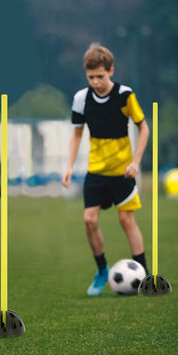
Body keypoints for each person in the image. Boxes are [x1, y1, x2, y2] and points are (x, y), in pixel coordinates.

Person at [62, 43, 149, 296]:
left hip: (123, 171)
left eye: (100, 76)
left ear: (111, 71)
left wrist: (136, 162)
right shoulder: (81, 98)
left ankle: (142, 274)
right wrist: (68, 166)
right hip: (96, 171)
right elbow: (77, 134)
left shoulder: (125, 95)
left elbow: (144, 128)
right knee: (89, 219)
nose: (96, 82)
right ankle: (102, 271)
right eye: (91, 77)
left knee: (126, 220)